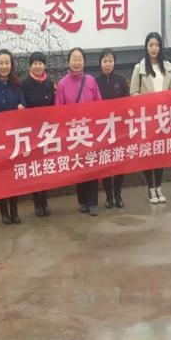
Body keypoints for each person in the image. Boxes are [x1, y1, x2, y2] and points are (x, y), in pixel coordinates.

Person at [54, 47, 103, 216]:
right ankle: (82, 201)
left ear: (84, 62)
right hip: (73, 133)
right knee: (78, 166)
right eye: (73, 59)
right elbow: (58, 109)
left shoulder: (91, 81)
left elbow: (99, 104)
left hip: (90, 131)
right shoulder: (62, 84)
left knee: (92, 166)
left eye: (79, 59)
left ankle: (93, 202)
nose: (76, 62)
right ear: (69, 62)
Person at [130, 32, 171, 204]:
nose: (154, 48)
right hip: (147, 118)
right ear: (146, 47)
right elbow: (133, 92)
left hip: (163, 117)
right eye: (151, 45)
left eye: (157, 45)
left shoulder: (168, 66)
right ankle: (151, 188)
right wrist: (147, 101)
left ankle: (159, 186)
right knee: (149, 153)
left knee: (160, 152)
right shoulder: (139, 68)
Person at [0, 49, 26, 224]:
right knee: (1, 174)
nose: (4, 66)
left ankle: (14, 210)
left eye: (7, 63)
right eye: (1, 63)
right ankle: (4, 212)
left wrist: (21, 109)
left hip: (14, 136)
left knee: (13, 173)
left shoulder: (17, 84)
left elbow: (23, 103)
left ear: (11, 64)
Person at [21, 51, 55, 217]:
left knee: (45, 166)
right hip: (32, 131)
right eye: (35, 63)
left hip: (47, 131)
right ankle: (37, 202)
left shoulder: (49, 83)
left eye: (40, 63)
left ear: (44, 65)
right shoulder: (24, 84)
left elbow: (54, 105)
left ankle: (44, 200)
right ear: (30, 66)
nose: (38, 66)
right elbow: (23, 107)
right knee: (35, 167)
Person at [95, 48, 130, 209]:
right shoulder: (95, 82)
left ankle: (118, 195)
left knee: (119, 162)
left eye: (110, 61)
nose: (108, 64)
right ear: (100, 63)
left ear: (114, 62)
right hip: (102, 129)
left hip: (119, 128)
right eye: (105, 61)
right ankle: (109, 196)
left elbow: (128, 103)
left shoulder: (121, 80)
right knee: (106, 163)